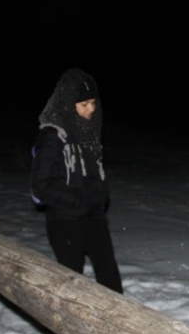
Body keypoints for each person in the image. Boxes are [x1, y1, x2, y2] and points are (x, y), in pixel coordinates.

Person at [30, 68, 123, 294]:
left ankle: (116, 317)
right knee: (73, 284)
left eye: (93, 103)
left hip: (95, 218)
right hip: (66, 222)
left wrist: (100, 196)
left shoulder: (88, 130)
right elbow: (41, 186)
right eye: (84, 104)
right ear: (68, 105)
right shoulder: (52, 137)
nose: (91, 109)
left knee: (110, 278)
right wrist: (77, 199)